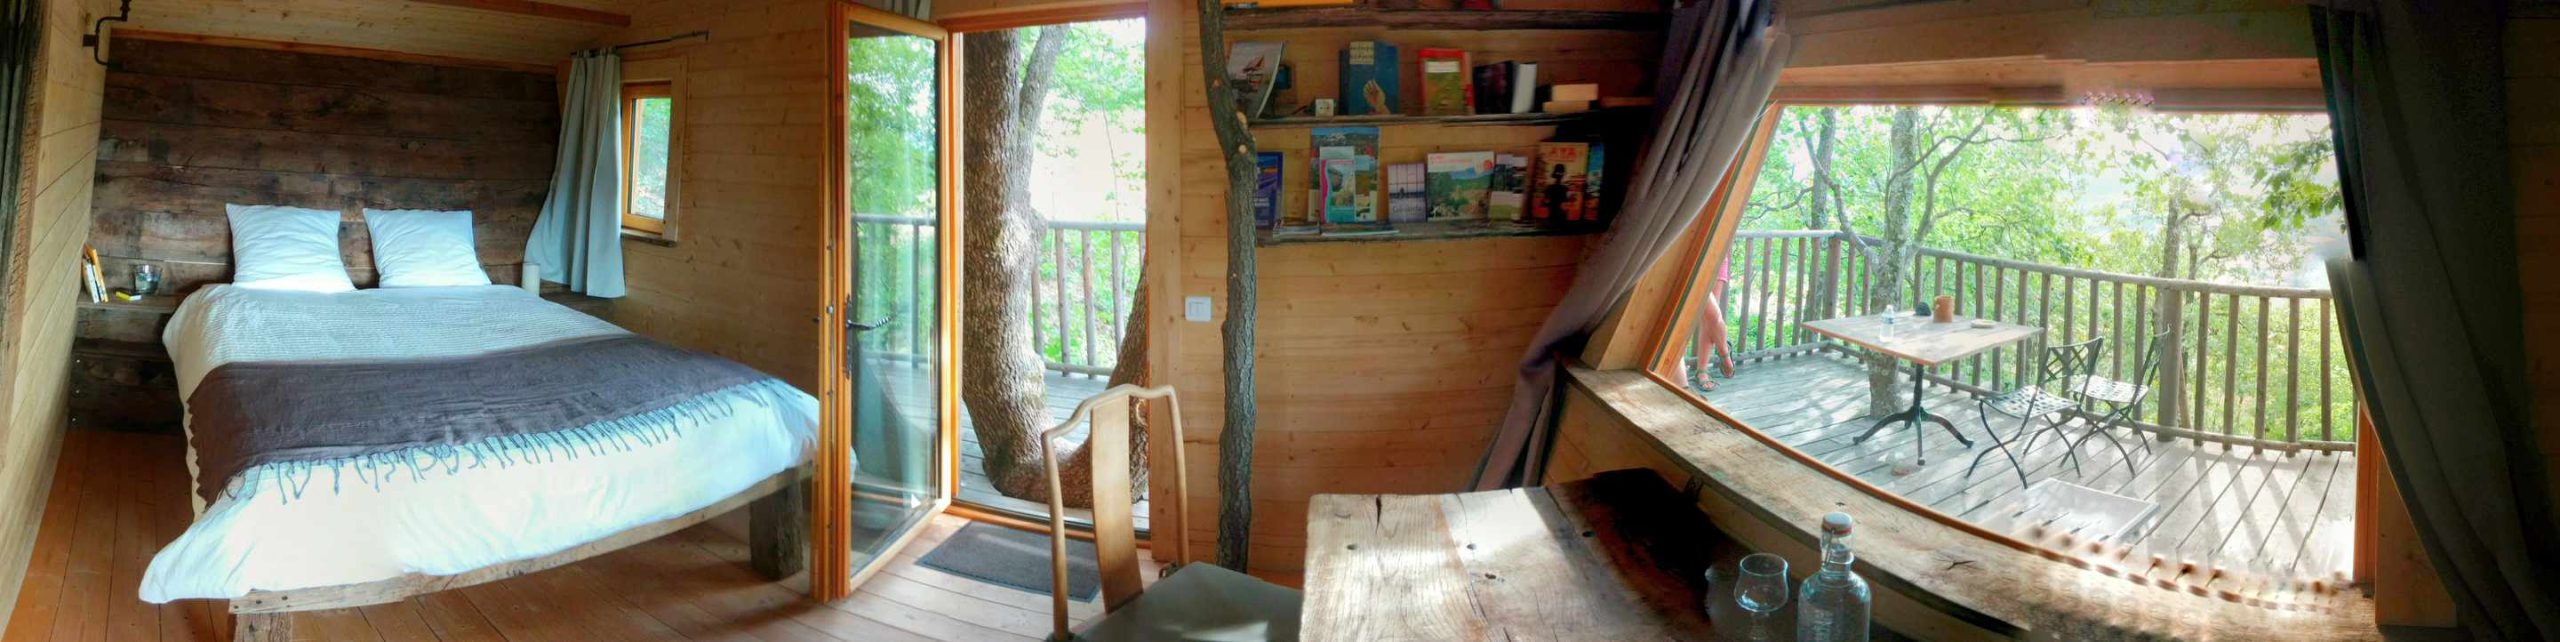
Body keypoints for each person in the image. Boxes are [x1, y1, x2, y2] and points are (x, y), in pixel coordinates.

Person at [1688, 256, 1737, 391]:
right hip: (1694, 258)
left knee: (1708, 320)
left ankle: (1702, 371)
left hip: (1717, 255)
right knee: (1713, 315)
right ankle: (1724, 351)